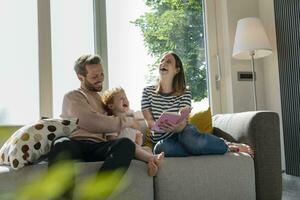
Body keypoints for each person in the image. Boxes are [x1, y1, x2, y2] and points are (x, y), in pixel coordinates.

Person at [48, 54, 139, 198]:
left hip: (98, 146)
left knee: (126, 145)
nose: (100, 78)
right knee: (60, 144)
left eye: (102, 74)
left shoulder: (102, 100)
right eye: (95, 76)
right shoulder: (72, 96)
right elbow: (91, 121)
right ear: (80, 77)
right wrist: (125, 121)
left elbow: (117, 115)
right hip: (76, 144)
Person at [141, 51, 254, 157]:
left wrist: (176, 128)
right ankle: (198, 149)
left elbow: (183, 122)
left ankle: (227, 146)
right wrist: (161, 126)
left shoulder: (184, 92)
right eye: (161, 61)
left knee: (189, 139)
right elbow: (150, 122)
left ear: (177, 70)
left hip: (183, 132)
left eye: (168, 61)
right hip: (164, 140)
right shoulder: (147, 92)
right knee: (161, 148)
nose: (163, 63)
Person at [101, 87, 164, 176]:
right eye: (121, 99)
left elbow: (137, 138)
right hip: (123, 151)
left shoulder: (131, 120)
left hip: (134, 149)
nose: (125, 100)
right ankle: (153, 158)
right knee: (134, 146)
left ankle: (151, 166)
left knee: (147, 148)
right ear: (111, 106)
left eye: (126, 98)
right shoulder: (113, 121)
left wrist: (139, 139)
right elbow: (111, 141)